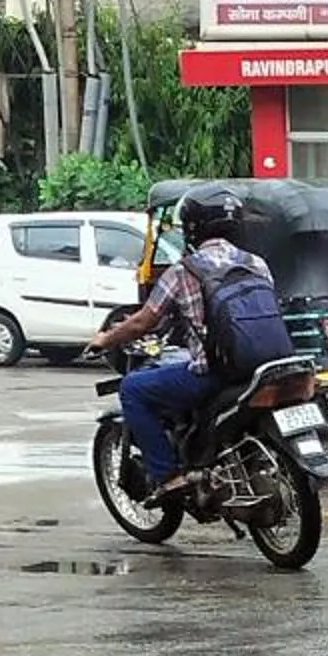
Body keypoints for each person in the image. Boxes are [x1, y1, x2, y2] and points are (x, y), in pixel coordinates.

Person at [93, 187, 286, 500]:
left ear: (193, 228)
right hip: (266, 367)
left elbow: (143, 322)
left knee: (132, 388)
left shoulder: (185, 270)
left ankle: (168, 477)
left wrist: (105, 339)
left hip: (217, 374)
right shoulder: (257, 263)